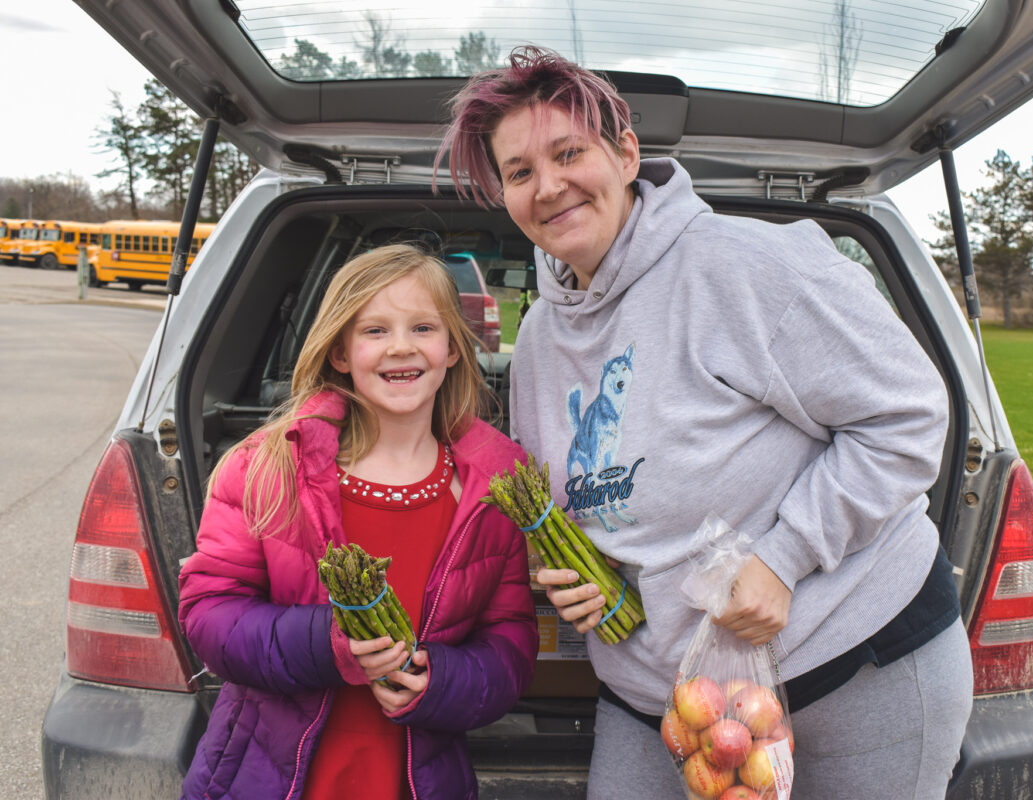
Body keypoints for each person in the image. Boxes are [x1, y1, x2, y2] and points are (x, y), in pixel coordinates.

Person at [436, 46, 974, 799]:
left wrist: (785, 556)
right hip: (661, 698)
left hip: (852, 664)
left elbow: (908, 411)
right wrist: (572, 571)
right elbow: (579, 491)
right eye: (520, 172)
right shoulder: (539, 340)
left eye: (569, 153)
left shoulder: (744, 266)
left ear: (626, 154)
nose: (549, 186)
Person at [176, 244, 538, 800]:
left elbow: (510, 642)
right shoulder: (269, 467)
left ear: (452, 349)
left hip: (415, 782)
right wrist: (328, 644)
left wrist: (442, 682)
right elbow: (209, 614)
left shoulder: (492, 490)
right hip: (268, 780)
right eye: (375, 331)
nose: (401, 346)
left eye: (423, 328)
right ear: (340, 353)